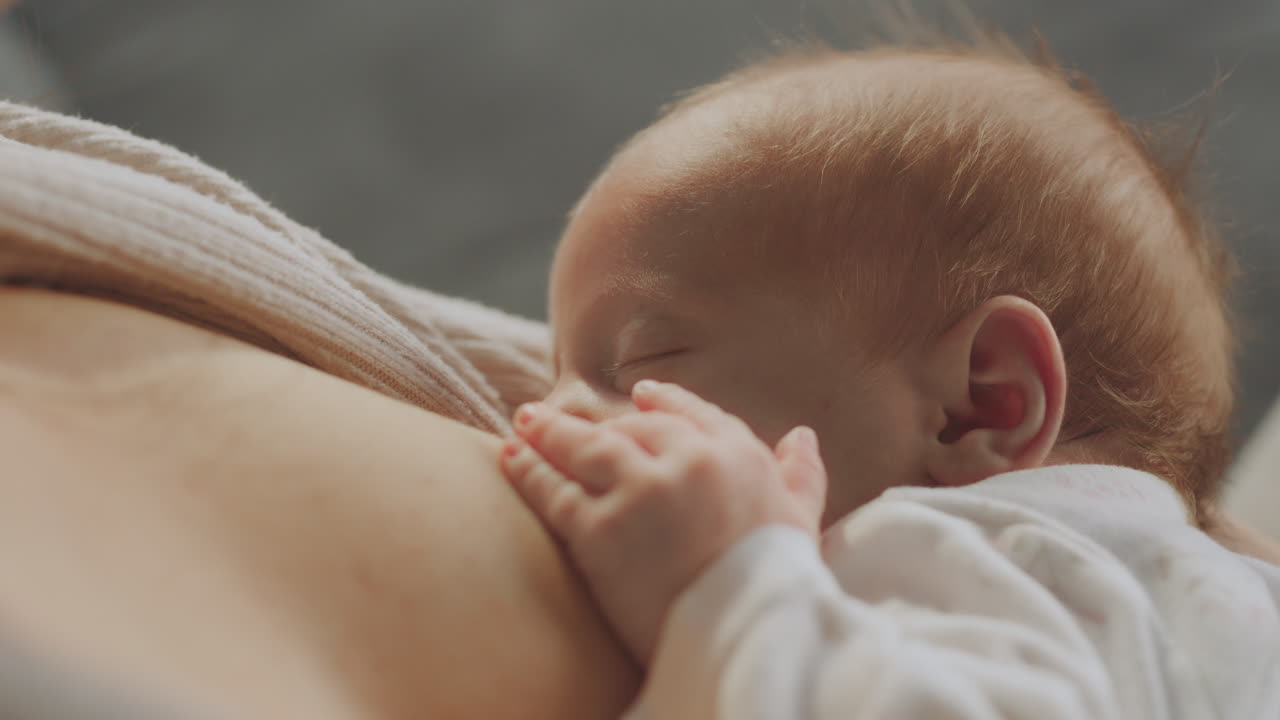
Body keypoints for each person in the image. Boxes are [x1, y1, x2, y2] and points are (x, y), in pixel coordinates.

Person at [498, 35, 1280, 718]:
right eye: (555, 374)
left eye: (640, 361)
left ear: (983, 403)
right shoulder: (1190, 595)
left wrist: (727, 586)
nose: (549, 412)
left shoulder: (1000, 551)